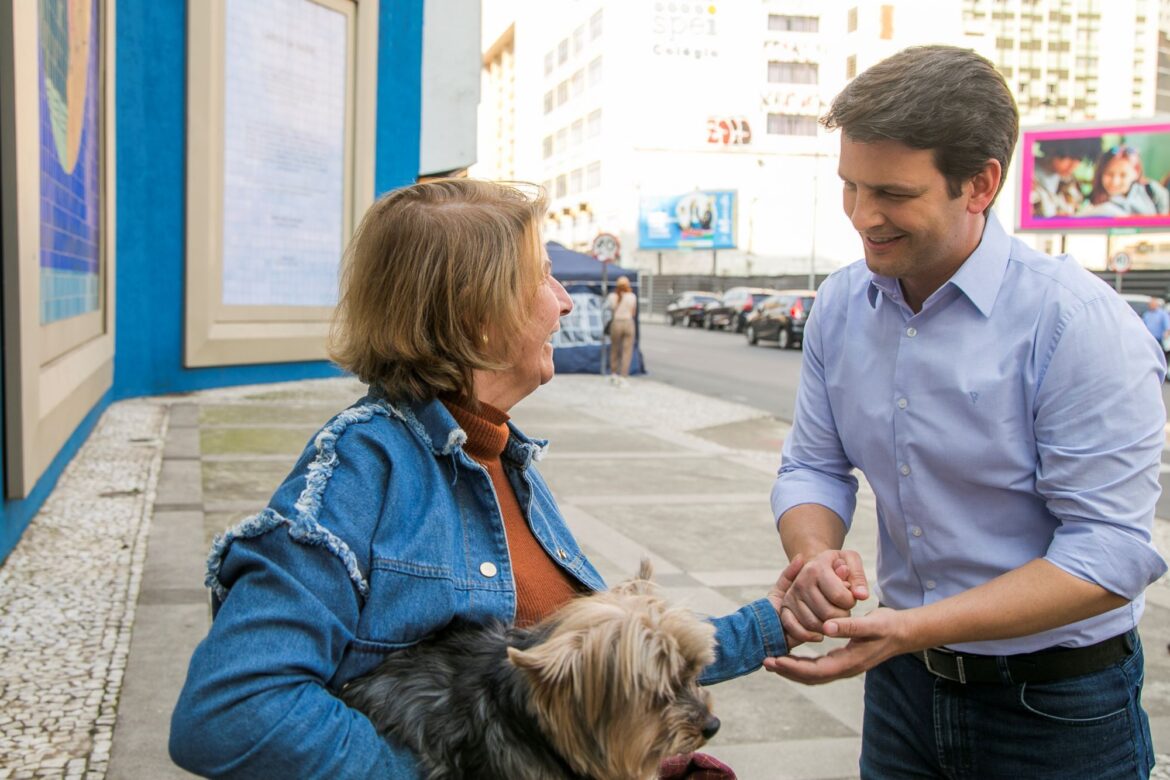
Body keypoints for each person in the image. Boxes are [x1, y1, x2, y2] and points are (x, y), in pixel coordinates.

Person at [169, 178, 802, 778]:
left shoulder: (500, 455)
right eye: (542, 277)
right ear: (477, 311)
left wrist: (773, 623)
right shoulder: (360, 470)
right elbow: (231, 712)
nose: (563, 301)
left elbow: (613, 662)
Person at [764, 45, 1167, 779]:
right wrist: (814, 555)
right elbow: (815, 467)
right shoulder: (840, 306)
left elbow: (1108, 555)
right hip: (903, 690)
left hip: (1057, 707)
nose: (862, 216)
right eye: (850, 187)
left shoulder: (1078, 325)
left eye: (891, 192)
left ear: (980, 184)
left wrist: (910, 628)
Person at [1081, 144, 1170, 216]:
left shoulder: (1153, 192)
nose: (1115, 181)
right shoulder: (1088, 202)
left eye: (1123, 175)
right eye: (1109, 174)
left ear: (1136, 172)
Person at [1029, 138, 1094, 217]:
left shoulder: (1070, 182)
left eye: (1079, 159)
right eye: (1070, 157)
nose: (1074, 165)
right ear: (1052, 149)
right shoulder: (1025, 173)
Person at [605, 275, 638, 385]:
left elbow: (610, 309)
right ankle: (623, 376)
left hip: (616, 322)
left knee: (614, 349)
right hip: (628, 322)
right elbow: (633, 313)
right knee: (627, 351)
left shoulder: (612, 296)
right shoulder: (632, 296)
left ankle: (614, 373)